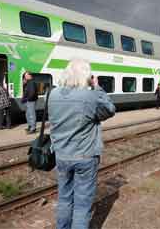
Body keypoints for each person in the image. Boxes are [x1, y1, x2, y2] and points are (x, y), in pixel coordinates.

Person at [48, 57, 115, 229]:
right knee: (82, 204)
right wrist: (97, 87)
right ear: (87, 76)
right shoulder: (90, 96)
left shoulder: (53, 94)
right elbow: (109, 110)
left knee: (64, 199)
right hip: (85, 156)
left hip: (61, 155)